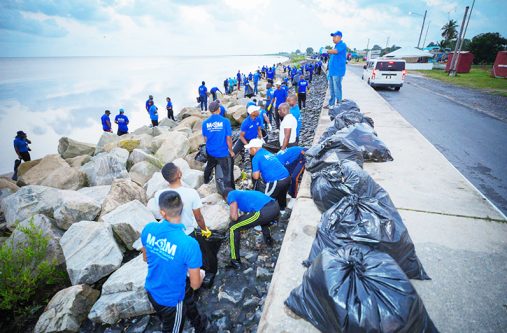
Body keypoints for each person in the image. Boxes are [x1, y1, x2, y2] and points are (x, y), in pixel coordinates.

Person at [141, 191, 207, 333]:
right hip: (172, 300)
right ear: (182, 208)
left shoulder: (148, 229)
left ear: (162, 212)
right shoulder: (189, 244)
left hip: (151, 290)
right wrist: (201, 274)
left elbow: (146, 258)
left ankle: (199, 326)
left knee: (168, 318)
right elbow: (195, 285)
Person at [148, 163, 218, 288]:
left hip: (169, 234)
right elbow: (198, 217)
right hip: (187, 233)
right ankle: (198, 277)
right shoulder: (191, 193)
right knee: (198, 255)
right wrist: (205, 230)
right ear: (180, 174)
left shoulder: (160, 194)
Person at [223, 188, 280, 270]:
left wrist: (231, 216)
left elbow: (234, 217)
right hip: (274, 206)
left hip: (264, 211)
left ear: (225, 197)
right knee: (262, 221)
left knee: (233, 227)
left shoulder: (231, 194)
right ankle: (269, 242)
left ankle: (235, 261)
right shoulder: (243, 193)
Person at [246, 138, 291, 212]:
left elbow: (256, 176)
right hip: (287, 177)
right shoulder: (267, 152)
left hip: (276, 181)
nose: (249, 151)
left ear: (254, 148)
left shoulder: (256, 158)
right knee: (281, 197)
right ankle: (282, 213)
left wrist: (254, 173)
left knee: (265, 200)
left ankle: (266, 219)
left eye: (249, 149)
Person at [202, 100, 235, 194]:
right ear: (218, 109)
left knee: (209, 166)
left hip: (211, 151)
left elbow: (205, 139)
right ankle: (229, 191)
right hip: (222, 153)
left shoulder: (205, 123)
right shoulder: (225, 121)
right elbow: (228, 138)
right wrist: (231, 151)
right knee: (226, 172)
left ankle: (206, 180)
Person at [326, 30, 347, 108]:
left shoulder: (342, 45)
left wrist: (327, 51)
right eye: (333, 37)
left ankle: (339, 104)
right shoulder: (336, 46)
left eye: (335, 37)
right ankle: (331, 104)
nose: (333, 38)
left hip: (338, 71)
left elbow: (335, 51)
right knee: (331, 88)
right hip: (332, 71)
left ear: (339, 37)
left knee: (337, 88)